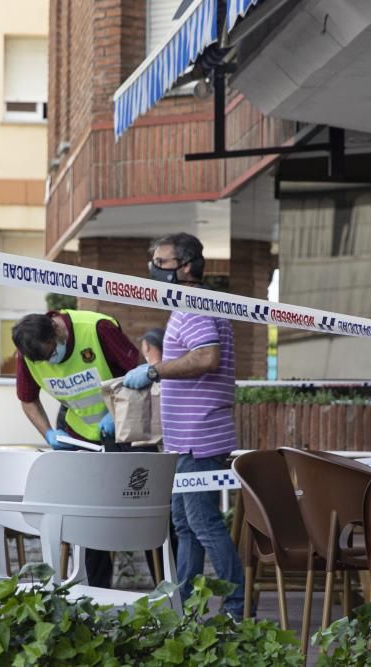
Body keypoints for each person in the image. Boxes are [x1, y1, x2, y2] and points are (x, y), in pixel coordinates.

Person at [123, 232, 245, 617]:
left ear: (188, 267)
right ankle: (184, 607)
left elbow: (207, 357)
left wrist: (155, 370)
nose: (154, 269)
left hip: (199, 438)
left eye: (163, 262)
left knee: (204, 523)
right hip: (186, 441)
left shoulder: (195, 305)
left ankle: (237, 608)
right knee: (184, 525)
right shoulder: (193, 303)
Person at [12, 309, 142, 589]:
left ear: (56, 331)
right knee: (88, 517)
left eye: (50, 354)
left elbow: (138, 374)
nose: (49, 362)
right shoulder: (29, 350)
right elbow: (27, 399)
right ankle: (96, 589)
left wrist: (117, 409)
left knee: (141, 510)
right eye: (43, 360)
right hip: (78, 434)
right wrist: (47, 432)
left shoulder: (98, 329)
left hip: (123, 431)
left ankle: (167, 585)